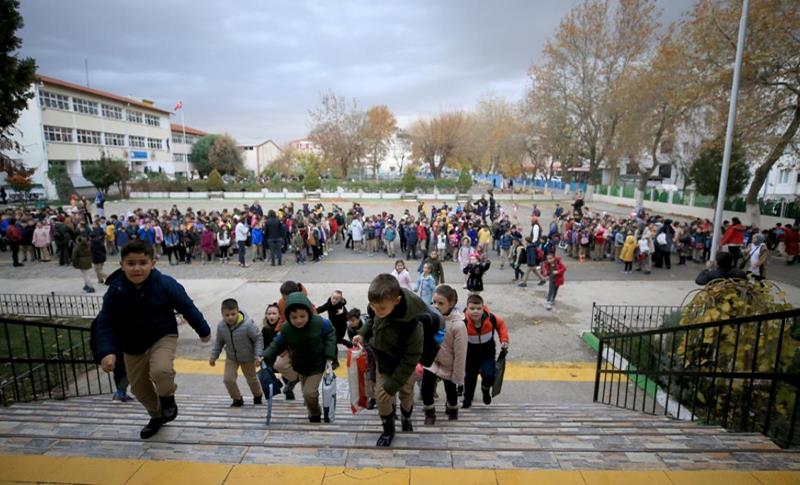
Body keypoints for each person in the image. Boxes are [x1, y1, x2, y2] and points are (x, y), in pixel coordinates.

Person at [93, 240, 212, 439]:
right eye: (131, 263)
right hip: (132, 344)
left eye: (142, 262)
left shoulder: (165, 284)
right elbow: (104, 322)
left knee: (161, 370)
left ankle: (168, 400)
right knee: (139, 389)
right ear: (122, 265)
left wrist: (203, 330)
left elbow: (187, 306)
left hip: (162, 335)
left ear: (153, 263)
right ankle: (156, 415)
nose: (137, 268)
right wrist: (106, 352)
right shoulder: (116, 290)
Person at [351, 274, 426, 447]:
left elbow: (411, 358)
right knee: (382, 396)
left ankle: (406, 417)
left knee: (406, 394)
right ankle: (388, 430)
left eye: (381, 309)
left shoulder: (411, 325)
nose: (377, 312)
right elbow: (373, 321)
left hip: (403, 368)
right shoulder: (382, 308)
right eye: (373, 307)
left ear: (397, 301)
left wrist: (393, 384)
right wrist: (362, 333)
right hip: (383, 363)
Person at [263, 292, 337, 422]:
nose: (298, 320)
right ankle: (313, 409)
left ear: (309, 313)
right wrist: (265, 356)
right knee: (306, 393)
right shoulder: (286, 329)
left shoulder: (319, 323)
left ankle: (315, 414)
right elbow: (277, 343)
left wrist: (329, 354)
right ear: (288, 317)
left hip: (317, 364)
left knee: (309, 393)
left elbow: (331, 332)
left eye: (302, 316)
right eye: (294, 317)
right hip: (300, 366)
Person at [422, 285, 467, 424]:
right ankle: (430, 413)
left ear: (451, 304)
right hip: (433, 362)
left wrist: (458, 376)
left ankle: (452, 409)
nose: (436, 306)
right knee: (425, 389)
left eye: (440, 303)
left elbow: (461, 353)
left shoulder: (458, 326)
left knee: (451, 392)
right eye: (434, 302)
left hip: (449, 364)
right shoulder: (432, 318)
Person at [210, 299, 264, 407]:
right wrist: (213, 356)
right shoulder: (221, 327)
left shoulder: (248, 324)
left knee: (252, 379)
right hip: (231, 357)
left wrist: (258, 355)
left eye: (233, 314)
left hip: (247, 357)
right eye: (227, 315)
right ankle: (237, 399)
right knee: (228, 379)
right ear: (222, 314)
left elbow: (258, 338)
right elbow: (219, 342)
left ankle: (257, 395)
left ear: (238, 311)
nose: (230, 317)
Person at [462, 294, 508, 408]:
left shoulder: (491, 318)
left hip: (487, 353)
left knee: (489, 375)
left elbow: (501, 324)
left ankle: (485, 389)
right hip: (470, 355)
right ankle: (467, 399)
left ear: (483, 308)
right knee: (469, 378)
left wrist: (504, 339)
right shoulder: (463, 322)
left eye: (478, 308)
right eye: (472, 309)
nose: (475, 311)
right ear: (467, 309)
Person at [347, 308, 376, 409]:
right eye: (349, 320)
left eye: (353, 320)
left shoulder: (367, 324)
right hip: (363, 354)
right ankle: (372, 398)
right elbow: (352, 343)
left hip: (373, 352)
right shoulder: (350, 328)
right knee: (367, 377)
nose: (351, 323)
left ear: (359, 318)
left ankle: (374, 398)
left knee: (373, 376)